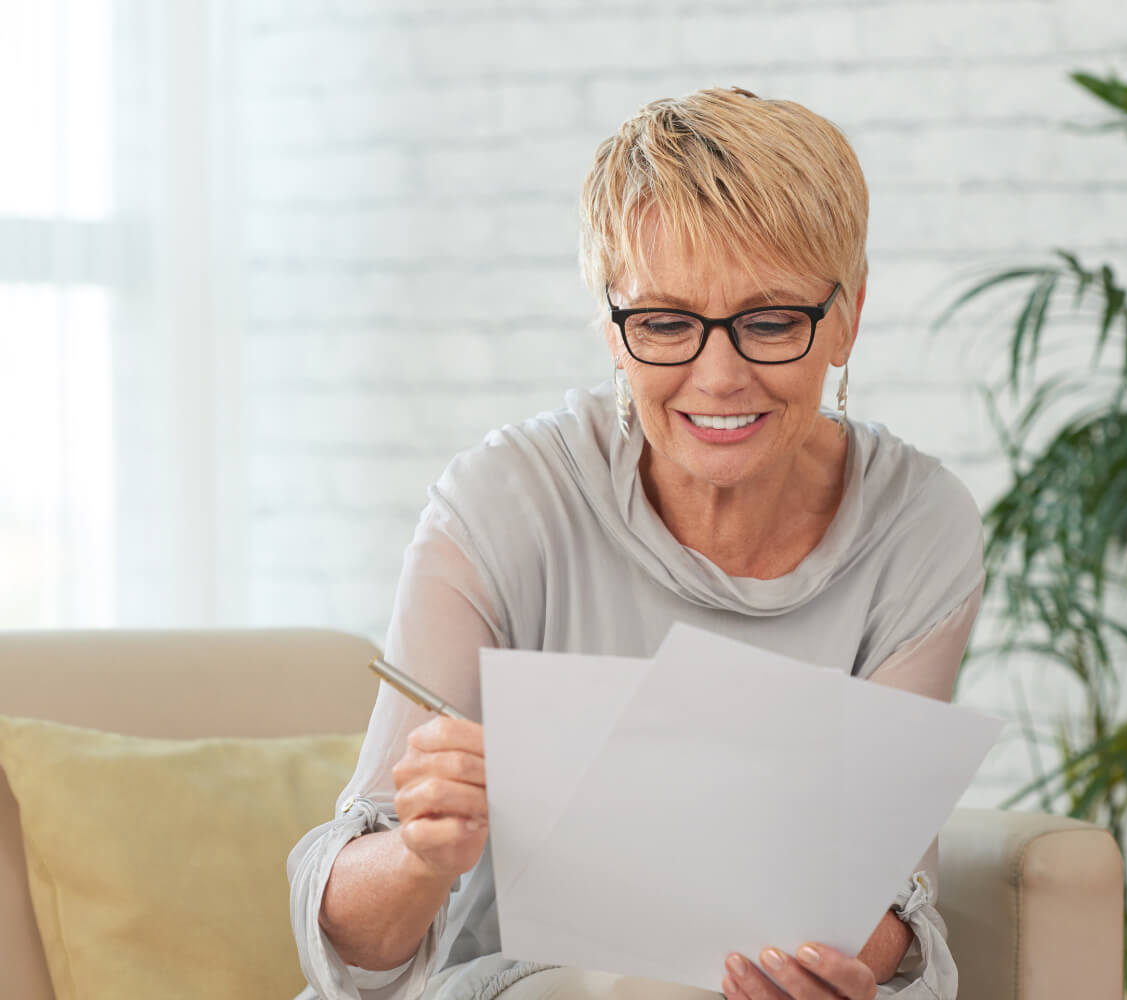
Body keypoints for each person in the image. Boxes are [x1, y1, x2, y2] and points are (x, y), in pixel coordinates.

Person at [288, 86, 983, 1000]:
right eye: (664, 323)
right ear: (613, 331)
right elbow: (351, 944)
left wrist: (838, 967)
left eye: (771, 321)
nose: (719, 377)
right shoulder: (503, 502)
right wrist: (421, 854)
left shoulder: (919, 525)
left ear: (845, 317)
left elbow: (889, 888)